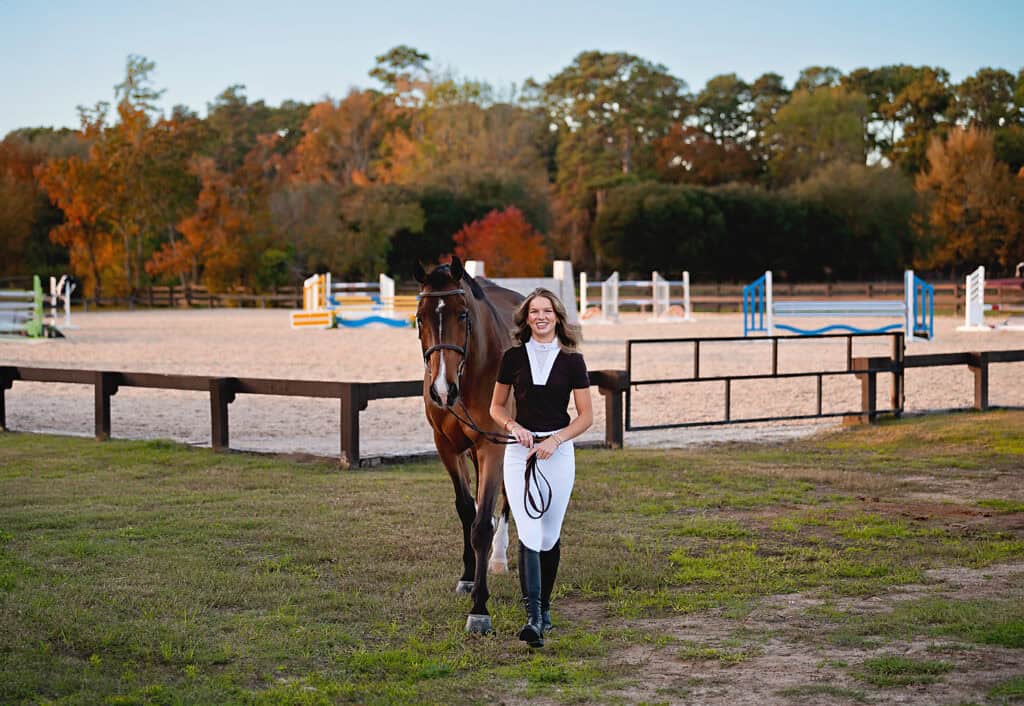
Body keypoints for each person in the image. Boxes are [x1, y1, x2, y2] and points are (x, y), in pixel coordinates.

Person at [489, 288, 593, 648]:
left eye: (547, 311)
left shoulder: (573, 361)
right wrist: (514, 428)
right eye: (534, 311)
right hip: (521, 453)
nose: (541, 316)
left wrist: (556, 440)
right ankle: (533, 619)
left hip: (558, 452)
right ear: (526, 318)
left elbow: (586, 417)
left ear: (558, 317)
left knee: (549, 535)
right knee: (529, 531)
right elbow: (496, 408)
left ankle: (545, 608)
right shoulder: (512, 357)